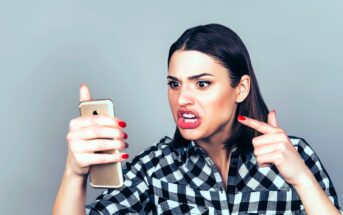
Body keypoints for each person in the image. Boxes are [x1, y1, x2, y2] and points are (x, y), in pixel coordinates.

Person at [53, 23, 343, 214]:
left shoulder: (294, 156)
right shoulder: (155, 170)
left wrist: (302, 180)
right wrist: (74, 173)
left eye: (202, 84)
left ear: (240, 88)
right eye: (174, 84)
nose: (182, 99)